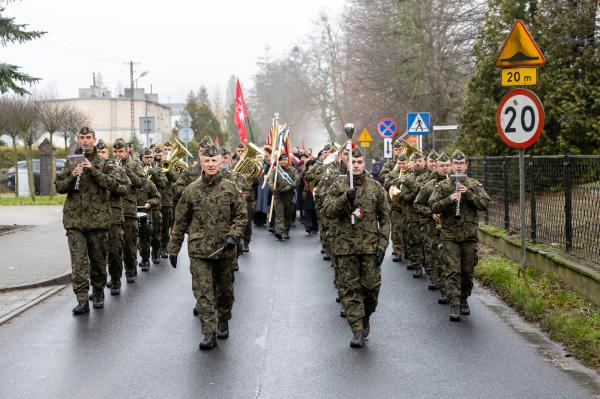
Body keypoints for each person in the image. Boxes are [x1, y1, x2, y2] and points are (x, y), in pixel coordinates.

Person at [168, 143, 247, 350]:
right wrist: (173, 248)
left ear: (221, 161)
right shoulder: (191, 190)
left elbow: (241, 216)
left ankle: (223, 320)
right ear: (201, 162)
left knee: (224, 292)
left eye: (214, 160)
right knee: (203, 292)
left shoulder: (231, 187)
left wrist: (233, 235)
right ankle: (208, 332)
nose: (211, 164)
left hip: (225, 249)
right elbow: (180, 221)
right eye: (207, 161)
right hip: (199, 251)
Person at [323, 147, 390, 348]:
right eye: (353, 162)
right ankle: (357, 330)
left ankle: (365, 316)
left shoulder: (375, 187)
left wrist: (382, 244)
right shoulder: (338, 186)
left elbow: (386, 218)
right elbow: (327, 211)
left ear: (365, 163)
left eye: (360, 162)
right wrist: (345, 198)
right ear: (347, 163)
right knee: (350, 290)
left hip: (370, 248)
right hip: (345, 248)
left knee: (371, 289)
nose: (357, 165)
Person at [55, 127, 122, 314]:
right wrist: (72, 176)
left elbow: (116, 186)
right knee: (78, 262)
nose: (85, 141)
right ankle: (82, 298)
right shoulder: (71, 162)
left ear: (94, 139)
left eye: (88, 138)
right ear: (78, 139)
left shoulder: (104, 162)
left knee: (98, 260)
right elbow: (59, 187)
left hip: (98, 221)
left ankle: (99, 290)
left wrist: (93, 171)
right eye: (82, 138)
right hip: (74, 220)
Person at [430, 150, 490, 321]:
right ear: (450, 166)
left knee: (467, 271)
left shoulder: (474, 185)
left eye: (461, 163)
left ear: (466, 165)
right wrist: (450, 199)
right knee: (452, 270)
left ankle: (464, 299)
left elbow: (484, 203)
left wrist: (468, 194)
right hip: (449, 235)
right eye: (455, 164)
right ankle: (454, 304)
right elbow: (433, 206)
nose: (458, 166)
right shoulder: (443, 186)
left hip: (469, 236)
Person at [96, 140, 131, 295]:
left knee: (115, 251)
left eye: (103, 152)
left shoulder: (114, 168)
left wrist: (111, 184)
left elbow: (126, 187)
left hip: (114, 215)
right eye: (98, 152)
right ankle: (98, 287)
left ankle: (116, 279)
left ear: (107, 154)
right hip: (95, 216)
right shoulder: (88, 168)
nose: (101, 155)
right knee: (97, 254)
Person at [413, 152, 450, 292]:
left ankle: (447, 283)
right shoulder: (429, 186)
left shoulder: (456, 184)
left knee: (447, 255)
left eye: (447, 165)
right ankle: (435, 278)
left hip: (451, 227)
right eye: (441, 166)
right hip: (431, 226)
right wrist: (431, 212)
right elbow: (417, 204)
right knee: (432, 252)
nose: (444, 168)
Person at [113, 138, 145, 284]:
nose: (118, 154)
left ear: (127, 152)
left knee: (129, 243)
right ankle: (115, 276)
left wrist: (126, 172)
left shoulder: (134, 165)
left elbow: (141, 183)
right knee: (114, 246)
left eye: (121, 151)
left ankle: (131, 268)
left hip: (129, 210)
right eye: (115, 151)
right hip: (113, 210)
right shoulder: (110, 165)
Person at [137, 148, 162, 271]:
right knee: (142, 238)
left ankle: (156, 251)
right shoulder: (136, 170)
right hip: (138, 210)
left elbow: (160, 191)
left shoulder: (157, 168)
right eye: (146, 157)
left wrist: (150, 202)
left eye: (150, 157)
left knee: (155, 234)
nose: (148, 159)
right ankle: (144, 259)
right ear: (142, 158)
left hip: (153, 210)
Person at [267, 154, 299, 240]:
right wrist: (272, 188)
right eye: (281, 160)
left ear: (288, 160)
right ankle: (279, 231)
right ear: (279, 161)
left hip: (289, 195)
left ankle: (286, 230)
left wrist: (288, 188)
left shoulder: (293, 170)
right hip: (278, 195)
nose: (283, 162)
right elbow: (269, 180)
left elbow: (296, 181)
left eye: (285, 160)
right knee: (279, 214)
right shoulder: (275, 171)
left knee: (287, 214)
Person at [383, 154, 408, 262]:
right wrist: (396, 180)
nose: (401, 166)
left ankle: (408, 251)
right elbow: (386, 184)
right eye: (399, 163)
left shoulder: (410, 173)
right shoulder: (392, 173)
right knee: (396, 229)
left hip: (407, 206)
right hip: (395, 206)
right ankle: (397, 251)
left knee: (408, 230)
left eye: (403, 163)